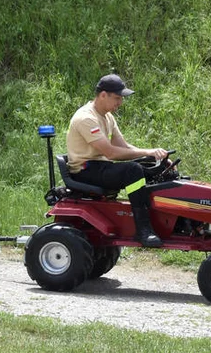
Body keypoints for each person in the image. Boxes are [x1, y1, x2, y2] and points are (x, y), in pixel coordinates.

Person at [66, 74, 169, 247]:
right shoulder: (86, 118)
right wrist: (147, 152)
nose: (120, 103)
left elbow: (124, 147)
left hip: (101, 166)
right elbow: (111, 152)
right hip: (85, 170)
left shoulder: (107, 117)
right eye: (117, 98)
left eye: (121, 99)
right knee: (133, 170)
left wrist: (151, 157)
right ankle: (143, 230)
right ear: (103, 95)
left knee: (149, 168)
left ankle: (165, 221)